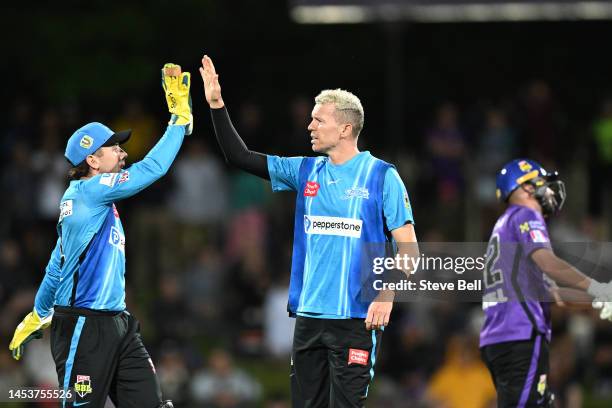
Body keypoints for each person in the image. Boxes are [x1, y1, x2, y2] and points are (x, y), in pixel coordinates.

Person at [199, 54, 418, 407]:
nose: (309, 126)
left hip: (355, 318)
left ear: (345, 128)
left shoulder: (382, 177)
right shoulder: (304, 170)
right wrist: (216, 105)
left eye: (318, 120)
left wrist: (387, 293)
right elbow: (239, 157)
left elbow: (409, 250)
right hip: (309, 317)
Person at [8, 63, 193, 408]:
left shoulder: (88, 202)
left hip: (117, 324)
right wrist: (179, 120)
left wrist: (38, 312)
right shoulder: (91, 193)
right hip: (84, 327)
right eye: (114, 148)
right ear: (92, 159)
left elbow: (57, 262)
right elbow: (152, 168)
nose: (123, 153)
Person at [479, 158, 612, 408]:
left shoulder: (503, 226)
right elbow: (549, 263)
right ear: (526, 187)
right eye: (543, 182)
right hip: (521, 334)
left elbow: (550, 293)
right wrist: (596, 286)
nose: (549, 190)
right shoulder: (525, 214)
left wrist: (599, 296)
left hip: (501, 338)